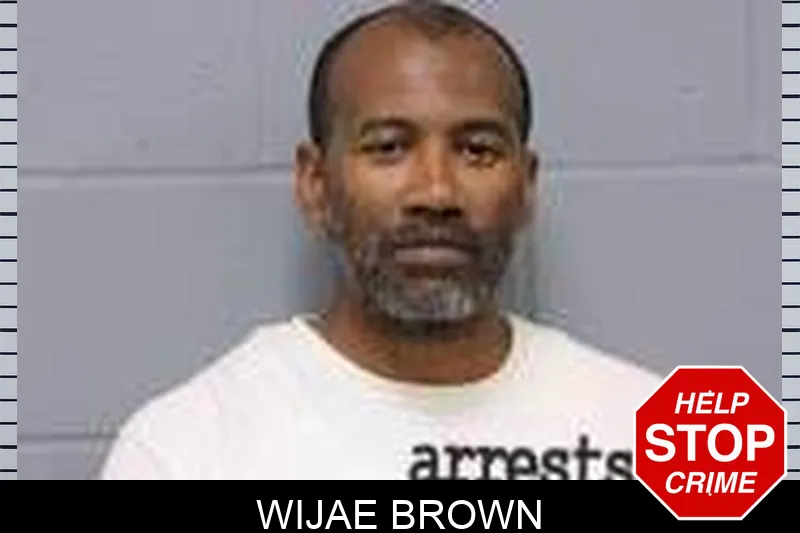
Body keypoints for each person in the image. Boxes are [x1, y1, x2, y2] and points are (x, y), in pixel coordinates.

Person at [101, 0, 662, 481]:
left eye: (477, 150)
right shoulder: (186, 451)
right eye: (389, 147)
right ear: (316, 184)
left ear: (526, 186)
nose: (436, 192)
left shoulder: (656, 432)